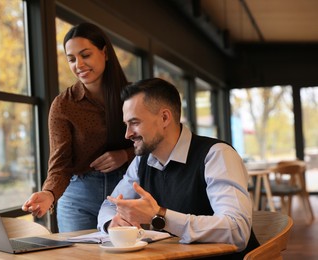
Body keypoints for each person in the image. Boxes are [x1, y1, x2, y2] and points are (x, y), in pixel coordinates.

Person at [97, 78, 259, 258]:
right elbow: (110, 205)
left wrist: (159, 216)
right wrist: (113, 222)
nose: (127, 134)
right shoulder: (141, 161)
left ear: (165, 117)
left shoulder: (217, 155)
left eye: (134, 122)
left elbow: (237, 231)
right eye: (126, 124)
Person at [22, 22, 134, 232]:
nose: (79, 64)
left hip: (125, 192)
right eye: (72, 59)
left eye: (86, 55)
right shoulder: (64, 105)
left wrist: (125, 155)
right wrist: (49, 193)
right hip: (78, 199)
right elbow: (60, 163)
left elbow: (154, 144)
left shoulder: (134, 97)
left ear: (105, 53)